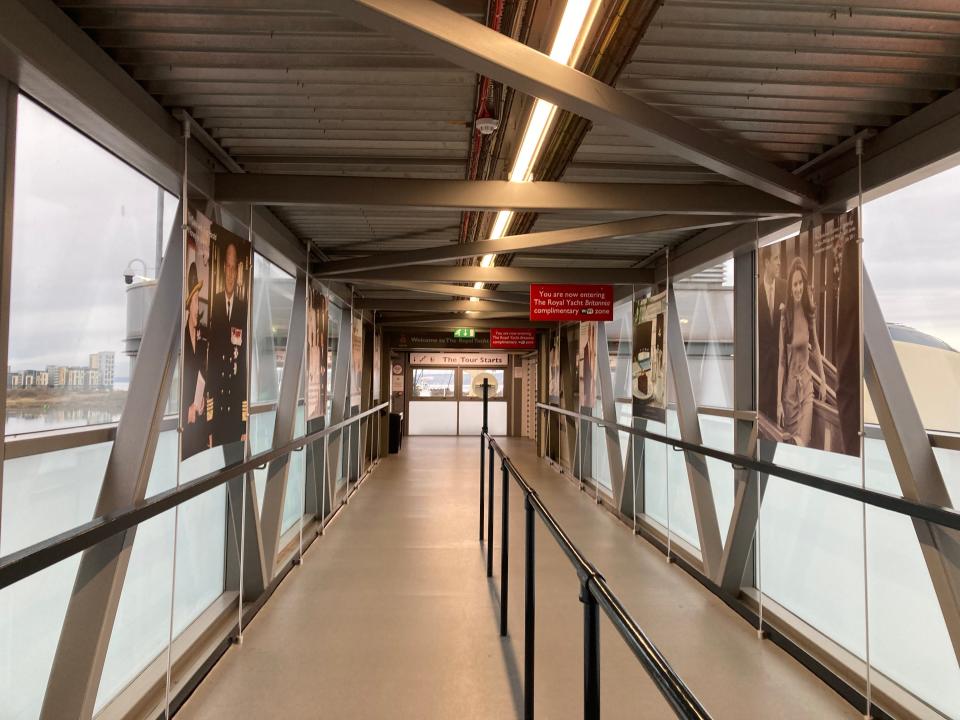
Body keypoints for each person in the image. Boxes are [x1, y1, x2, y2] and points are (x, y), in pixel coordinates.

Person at [777, 257, 827, 447]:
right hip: (789, 393)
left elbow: (816, 349)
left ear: (804, 285)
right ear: (790, 287)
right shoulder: (785, 316)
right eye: (794, 284)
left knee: (803, 442)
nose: (797, 288)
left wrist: (822, 380)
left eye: (800, 283)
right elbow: (781, 362)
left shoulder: (809, 312)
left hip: (806, 387)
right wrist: (778, 404)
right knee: (790, 447)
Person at [208, 242, 247, 446]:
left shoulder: (243, 308)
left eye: (234, 268)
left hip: (235, 400)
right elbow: (211, 365)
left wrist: (244, 425)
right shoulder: (213, 304)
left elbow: (244, 372)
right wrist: (209, 426)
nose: (231, 273)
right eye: (228, 267)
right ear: (223, 269)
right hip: (219, 402)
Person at [182, 261, 209, 458]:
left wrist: (202, 400)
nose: (197, 305)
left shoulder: (200, 339)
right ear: (188, 305)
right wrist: (186, 409)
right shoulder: (181, 340)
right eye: (195, 301)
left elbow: (203, 372)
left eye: (199, 301)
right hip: (185, 418)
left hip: (198, 414)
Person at [758, 245, 785, 424]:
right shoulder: (755, 292)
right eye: (776, 259)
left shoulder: (785, 287)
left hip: (782, 366)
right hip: (763, 370)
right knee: (765, 421)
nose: (779, 263)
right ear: (766, 262)